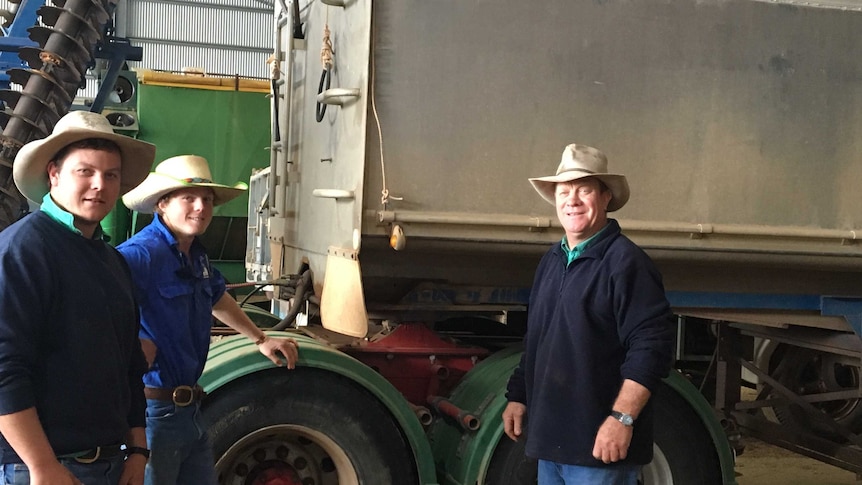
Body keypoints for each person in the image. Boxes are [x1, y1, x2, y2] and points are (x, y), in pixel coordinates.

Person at [116, 154, 300, 485]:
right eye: (189, 198)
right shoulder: (139, 256)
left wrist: (261, 339)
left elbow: (216, 296)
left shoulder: (195, 253)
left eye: (207, 199)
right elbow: (99, 315)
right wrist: (129, 349)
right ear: (162, 205)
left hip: (190, 409)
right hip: (153, 414)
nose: (201, 207)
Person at [502, 144, 675, 485]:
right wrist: (518, 395)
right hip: (552, 445)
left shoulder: (627, 264)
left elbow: (651, 349)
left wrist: (621, 420)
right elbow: (539, 338)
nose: (572, 200)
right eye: (564, 191)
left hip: (600, 450)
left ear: (606, 197)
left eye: (584, 190)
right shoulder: (552, 260)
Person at [0, 111, 156, 485]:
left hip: (111, 462)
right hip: (40, 467)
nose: (99, 185)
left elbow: (129, 365)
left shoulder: (112, 260)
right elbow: (4, 370)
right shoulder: (23, 251)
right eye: (84, 172)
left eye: (111, 175)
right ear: (54, 173)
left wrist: (138, 450)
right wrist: (42, 466)